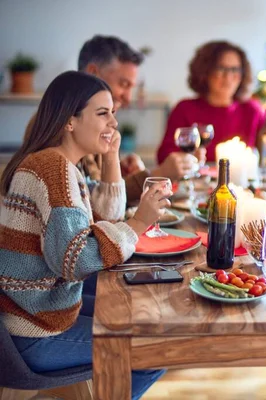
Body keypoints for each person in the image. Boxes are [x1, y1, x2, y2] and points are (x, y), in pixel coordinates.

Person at [0, 71, 167, 399]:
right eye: (102, 113)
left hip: (37, 315)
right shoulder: (52, 168)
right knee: (155, 345)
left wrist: (110, 158)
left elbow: (103, 220)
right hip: (35, 333)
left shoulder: (60, 165)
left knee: (134, 309)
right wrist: (138, 224)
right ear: (69, 121)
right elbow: (76, 260)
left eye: (113, 114)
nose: (114, 124)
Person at [77, 35, 198, 202]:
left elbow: (98, 185)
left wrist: (116, 169)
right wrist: (158, 174)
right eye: (124, 84)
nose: (128, 98)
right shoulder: (68, 127)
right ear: (93, 73)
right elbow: (98, 203)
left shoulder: (98, 120)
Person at [156, 40, 266, 171]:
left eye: (235, 69)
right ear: (205, 72)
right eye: (221, 68)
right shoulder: (185, 109)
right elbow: (164, 157)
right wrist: (187, 159)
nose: (228, 76)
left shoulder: (252, 110)